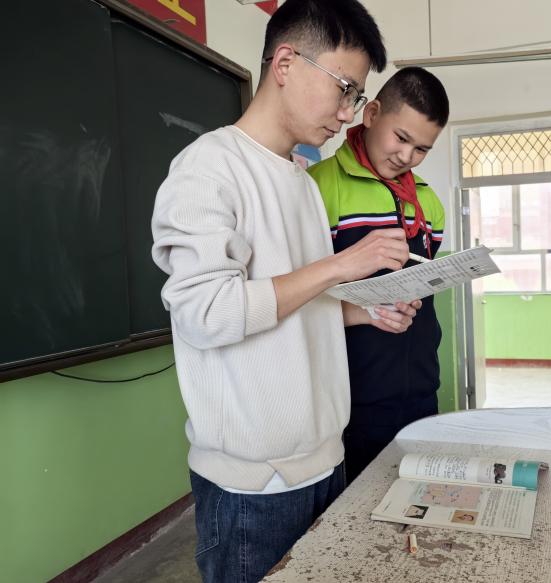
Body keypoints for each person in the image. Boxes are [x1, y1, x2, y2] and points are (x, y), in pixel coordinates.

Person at [151, 1, 420, 581]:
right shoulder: (207, 169)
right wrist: (341, 265)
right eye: (345, 89)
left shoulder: (301, 182)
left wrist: (366, 312)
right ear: (286, 63)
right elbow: (206, 314)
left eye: (356, 96)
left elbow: (298, 307)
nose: (348, 114)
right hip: (255, 487)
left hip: (326, 460)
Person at [308, 67, 450, 484]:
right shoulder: (316, 189)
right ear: (371, 114)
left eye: (421, 149)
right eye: (401, 138)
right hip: (351, 399)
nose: (406, 156)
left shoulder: (428, 200)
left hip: (421, 388)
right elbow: (301, 295)